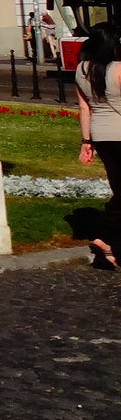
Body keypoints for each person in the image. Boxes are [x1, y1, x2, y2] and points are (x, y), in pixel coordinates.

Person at [71, 22, 121, 269]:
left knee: (118, 186)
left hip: (101, 135)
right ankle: (105, 236)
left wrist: (86, 141)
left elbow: (84, 108)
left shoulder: (81, 70)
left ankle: (108, 243)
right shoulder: (119, 69)